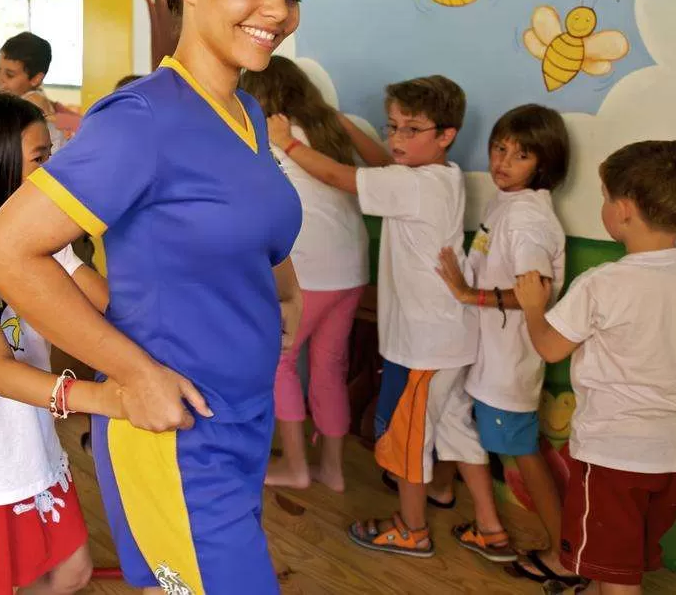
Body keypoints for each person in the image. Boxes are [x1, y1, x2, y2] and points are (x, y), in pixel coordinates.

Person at [0, 0, 353, 594]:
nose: (279, 10)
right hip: (176, 432)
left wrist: (286, 293)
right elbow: (4, 252)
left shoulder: (244, 110)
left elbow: (250, 228)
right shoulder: (141, 119)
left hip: (243, 415)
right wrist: (136, 376)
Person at [269, 75, 487, 559]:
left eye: (412, 129)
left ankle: (412, 529)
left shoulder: (412, 186)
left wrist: (286, 141)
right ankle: (487, 524)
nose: (397, 138)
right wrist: (342, 124)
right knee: (454, 430)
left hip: (424, 344)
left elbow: (339, 177)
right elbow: (383, 164)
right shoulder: (443, 175)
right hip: (448, 338)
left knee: (407, 441)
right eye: (392, 126)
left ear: (446, 134)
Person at [0, 93, 116, 595]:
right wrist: (107, 399)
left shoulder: (37, 240)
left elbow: (108, 305)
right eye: (40, 159)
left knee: (72, 571)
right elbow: (0, 372)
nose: (51, 173)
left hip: (30, 441)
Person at [516, 140, 676, 595]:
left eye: (605, 197)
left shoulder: (603, 283)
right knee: (622, 562)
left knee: (616, 577)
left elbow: (549, 348)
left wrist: (533, 307)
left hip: (616, 455)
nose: (604, 206)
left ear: (624, 210)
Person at [435, 105, 572, 577]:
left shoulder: (528, 218)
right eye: (499, 148)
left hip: (509, 365)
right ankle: (443, 489)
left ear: (544, 163)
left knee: (524, 456)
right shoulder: (508, 203)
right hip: (493, 358)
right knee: (468, 426)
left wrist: (467, 294)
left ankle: (564, 556)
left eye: (520, 155)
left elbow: (536, 290)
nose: (503, 162)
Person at [240, 56, 368, 492]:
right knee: (330, 367)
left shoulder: (270, 137)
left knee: (279, 362)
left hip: (311, 270)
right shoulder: (325, 131)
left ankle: (295, 467)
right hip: (351, 268)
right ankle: (332, 470)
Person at [0, 31, 81, 153]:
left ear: (36, 79)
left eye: (10, 75)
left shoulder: (42, 110)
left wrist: (55, 117)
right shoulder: (2, 105)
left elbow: (90, 126)